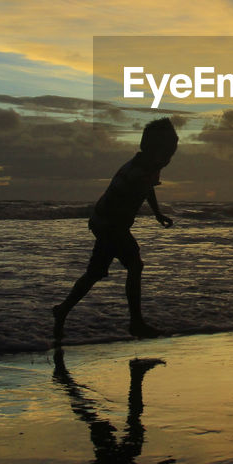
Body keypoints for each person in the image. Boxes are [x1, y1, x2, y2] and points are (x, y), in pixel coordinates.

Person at [53, 117, 177, 340]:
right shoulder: (139, 171)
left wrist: (157, 213)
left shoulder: (149, 165)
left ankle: (62, 310)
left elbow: (148, 190)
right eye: (169, 151)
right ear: (156, 150)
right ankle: (136, 323)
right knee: (135, 265)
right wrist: (118, 236)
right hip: (110, 224)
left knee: (96, 272)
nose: (170, 157)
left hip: (107, 223)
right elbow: (126, 199)